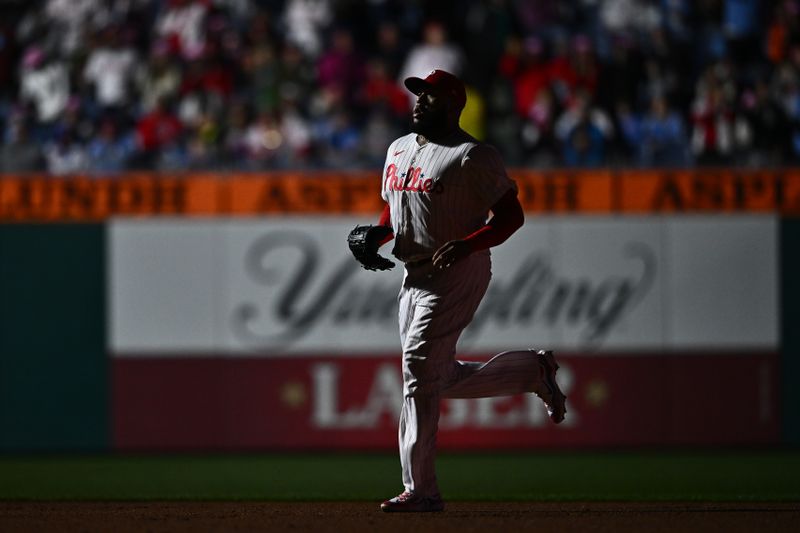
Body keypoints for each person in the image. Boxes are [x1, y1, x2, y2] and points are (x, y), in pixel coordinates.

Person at [354, 69, 567, 513]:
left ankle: (422, 490)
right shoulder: (398, 148)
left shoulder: (473, 155)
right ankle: (531, 371)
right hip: (414, 273)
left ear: (452, 105)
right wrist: (376, 236)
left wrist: (469, 244)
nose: (418, 102)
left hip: (460, 270)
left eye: (429, 96)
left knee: (417, 369)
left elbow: (511, 218)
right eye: (418, 94)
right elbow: (395, 209)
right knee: (433, 376)